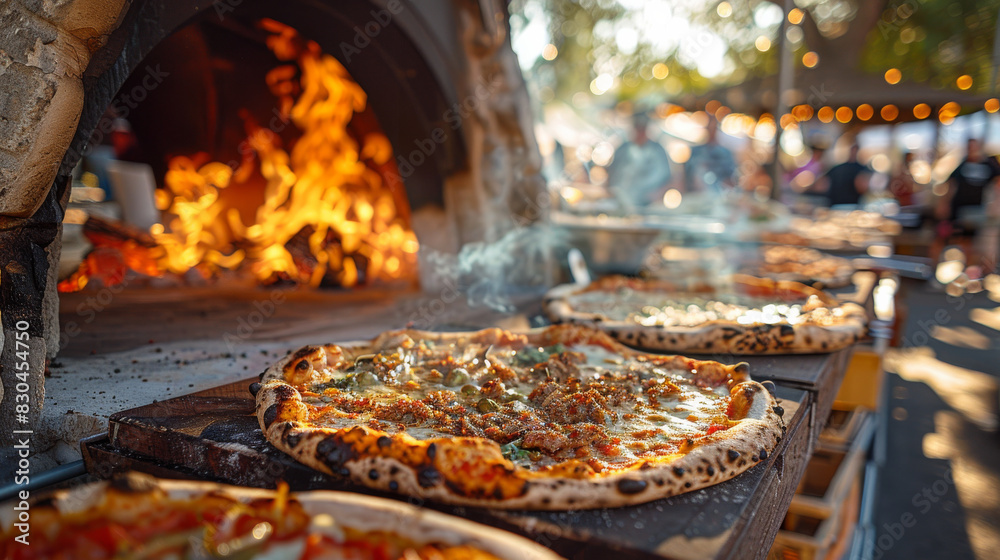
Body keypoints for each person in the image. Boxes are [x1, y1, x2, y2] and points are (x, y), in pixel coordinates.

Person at [606, 113, 672, 210]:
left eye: (643, 128)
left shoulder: (657, 151)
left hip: (649, 205)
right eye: (638, 128)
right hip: (621, 203)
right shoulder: (623, 149)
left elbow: (668, 178)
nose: (640, 132)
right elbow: (611, 174)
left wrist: (657, 195)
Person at [684, 117, 737, 194]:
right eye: (710, 127)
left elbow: (731, 178)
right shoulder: (696, 150)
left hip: (719, 195)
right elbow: (688, 174)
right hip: (698, 194)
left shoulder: (725, 153)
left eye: (714, 128)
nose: (711, 130)